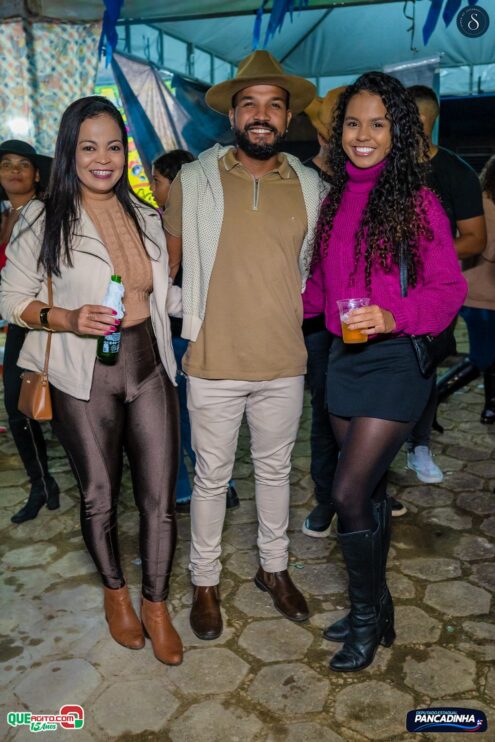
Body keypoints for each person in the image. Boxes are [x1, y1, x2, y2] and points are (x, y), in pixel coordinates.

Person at [0, 97, 183, 666]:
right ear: (68, 152)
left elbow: (162, 296)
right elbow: (10, 299)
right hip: (83, 374)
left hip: (148, 363)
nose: (103, 158)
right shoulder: (42, 217)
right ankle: (116, 594)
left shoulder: (144, 214)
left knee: (159, 498)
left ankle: (157, 604)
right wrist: (67, 318)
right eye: (88, 147)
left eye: (113, 146)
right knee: (101, 496)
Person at [304, 71, 466, 671]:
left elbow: (448, 289)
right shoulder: (333, 202)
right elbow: (319, 291)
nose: (363, 135)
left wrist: (393, 315)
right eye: (353, 123)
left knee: (347, 492)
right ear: (337, 130)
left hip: (396, 361)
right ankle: (380, 607)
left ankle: (366, 622)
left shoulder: (417, 202)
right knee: (368, 492)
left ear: (398, 133)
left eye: (377, 124)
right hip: (343, 360)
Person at [163, 50, 321, 640]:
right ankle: (204, 582)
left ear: (287, 118)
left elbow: (309, 273)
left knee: (276, 473)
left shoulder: (311, 188)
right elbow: (165, 266)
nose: (261, 114)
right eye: (249, 104)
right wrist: (180, 318)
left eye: (273, 105)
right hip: (213, 361)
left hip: (283, 361)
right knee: (211, 478)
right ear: (231, 116)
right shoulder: (195, 180)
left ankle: (273, 569)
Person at [403, 85, 485, 485]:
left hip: (433, 291)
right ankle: (378, 444)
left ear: (422, 120)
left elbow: (475, 239)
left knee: (423, 367)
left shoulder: (456, 172)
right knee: (385, 367)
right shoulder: (383, 166)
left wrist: (425, 258)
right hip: (382, 289)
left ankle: (418, 445)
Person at [152, 149, 239, 513]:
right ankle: (222, 485)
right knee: (204, 418)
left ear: (178, 185)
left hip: (180, 335)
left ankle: (185, 490)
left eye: (157, 181)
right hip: (206, 335)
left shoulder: (171, 230)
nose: (153, 188)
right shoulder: (214, 222)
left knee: (174, 418)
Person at [0, 139, 60, 524]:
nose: (15, 171)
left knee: (64, 410)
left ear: (37, 175)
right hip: (17, 325)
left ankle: (93, 486)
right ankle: (41, 484)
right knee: (18, 408)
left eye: (23, 164)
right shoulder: (4, 218)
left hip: (49, 322)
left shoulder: (48, 215)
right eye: (6, 164)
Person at [300, 89, 346, 538]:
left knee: (368, 409)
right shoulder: (302, 181)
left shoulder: (370, 180)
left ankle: (367, 486)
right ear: (321, 134)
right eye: (343, 129)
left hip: (362, 316)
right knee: (327, 408)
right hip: (316, 319)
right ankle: (327, 497)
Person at [455, 155, 495, 423]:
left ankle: (491, 407)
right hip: (481, 298)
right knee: (481, 358)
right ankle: (435, 398)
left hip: (485, 295)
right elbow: (487, 250)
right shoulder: (486, 205)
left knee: (492, 355)